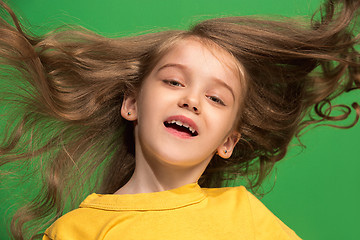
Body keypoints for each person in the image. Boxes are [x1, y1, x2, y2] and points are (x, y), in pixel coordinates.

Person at [0, 0, 359, 239]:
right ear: (132, 103)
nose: (191, 100)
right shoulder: (76, 231)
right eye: (174, 81)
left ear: (227, 142)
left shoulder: (246, 217)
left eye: (216, 98)